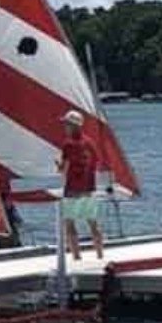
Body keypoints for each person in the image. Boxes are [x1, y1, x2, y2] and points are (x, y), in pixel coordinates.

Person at [58, 108, 104, 260]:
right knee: (93, 223)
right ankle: (100, 255)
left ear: (73, 126)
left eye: (66, 124)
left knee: (70, 223)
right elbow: (97, 163)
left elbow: (63, 170)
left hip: (72, 188)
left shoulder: (68, 145)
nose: (64, 127)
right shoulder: (90, 143)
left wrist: (59, 166)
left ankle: (77, 257)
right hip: (89, 188)